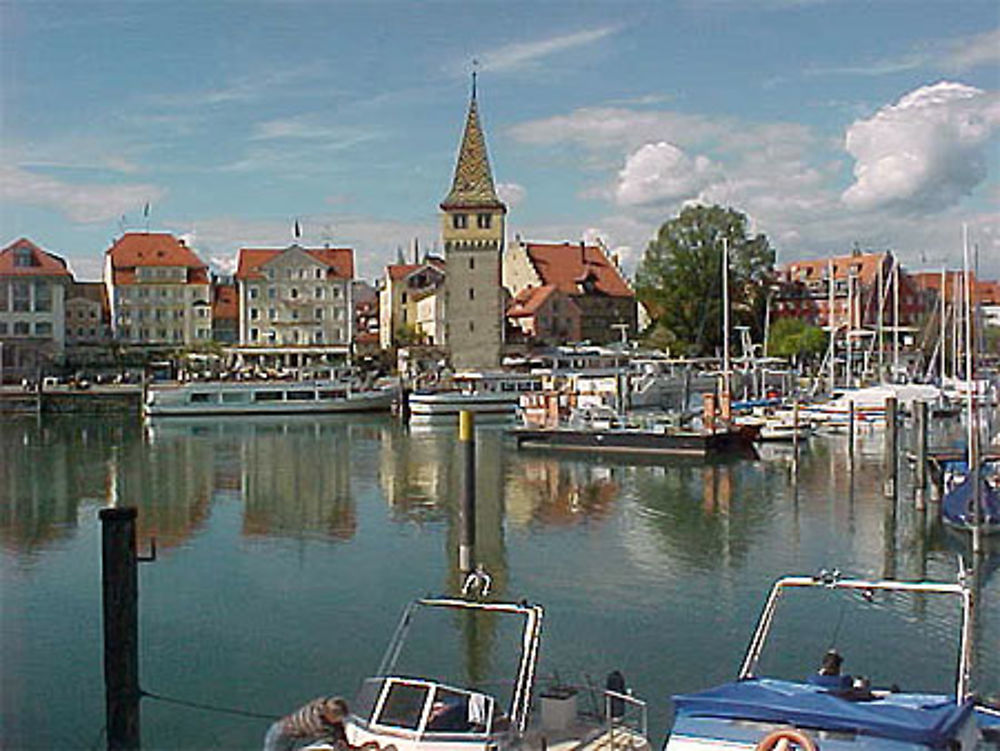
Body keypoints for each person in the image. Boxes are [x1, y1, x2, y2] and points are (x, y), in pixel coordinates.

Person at [263, 696, 349, 751]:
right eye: (337, 719)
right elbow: (328, 739)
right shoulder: (315, 723)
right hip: (281, 736)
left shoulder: (321, 703)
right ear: (329, 714)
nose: (339, 721)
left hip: (289, 732)